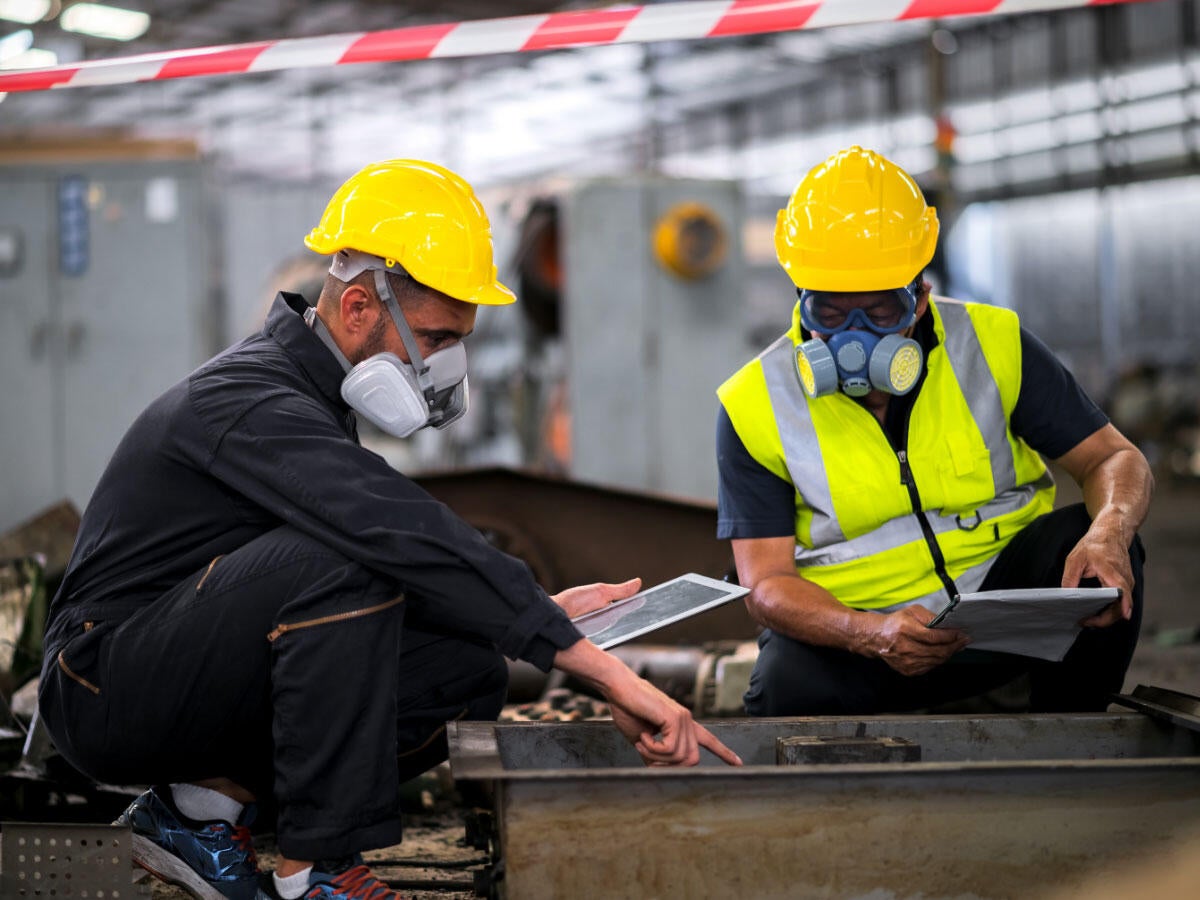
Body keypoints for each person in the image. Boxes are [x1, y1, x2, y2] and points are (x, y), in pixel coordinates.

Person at [38, 159, 741, 900]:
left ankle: (200, 816)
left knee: (467, 670)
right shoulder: (249, 399)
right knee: (343, 556)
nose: (444, 367)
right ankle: (317, 869)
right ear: (356, 310)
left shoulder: (312, 398)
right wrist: (601, 672)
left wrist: (540, 616)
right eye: (436, 339)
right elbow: (389, 527)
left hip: (174, 670)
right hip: (99, 685)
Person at [716, 145, 1152, 717]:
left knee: (1096, 560)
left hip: (1002, 620)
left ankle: (1070, 735)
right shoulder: (755, 402)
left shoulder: (991, 346)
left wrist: (1110, 530)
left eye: (879, 313)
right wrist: (866, 632)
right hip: (865, 640)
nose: (854, 340)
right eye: (829, 314)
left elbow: (1112, 459)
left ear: (920, 297)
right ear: (799, 298)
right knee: (782, 686)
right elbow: (767, 582)